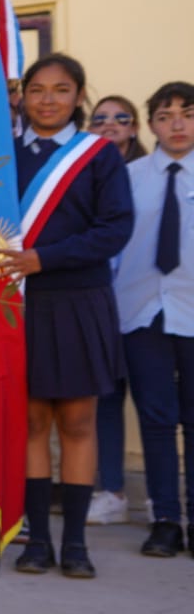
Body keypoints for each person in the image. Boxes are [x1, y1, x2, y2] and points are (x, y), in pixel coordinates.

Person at [0, 54, 132, 578]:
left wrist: (44, 258)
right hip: (21, 305)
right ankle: (37, 542)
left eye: (62, 89)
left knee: (77, 421)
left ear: (78, 96)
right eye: (38, 90)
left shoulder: (99, 157)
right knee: (31, 423)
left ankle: (76, 543)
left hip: (79, 300)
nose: (48, 99)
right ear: (23, 96)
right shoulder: (2, 158)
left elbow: (115, 229)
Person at [116, 81, 194, 558]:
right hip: (143, 310)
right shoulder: (130, 177)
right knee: (157, 418)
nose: (178, 124)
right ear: (151, 126)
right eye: (165, 116)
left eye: (187, 113)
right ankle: (165, 519)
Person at [87, 93, 148, 526]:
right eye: (100, 118)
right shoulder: (82, 176)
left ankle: (165, 497)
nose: (110, 124)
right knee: (105, 402)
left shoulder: (150, 175)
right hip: (97, 308)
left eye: (120, 118)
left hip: (147, 307)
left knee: (156, 404)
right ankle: (111, 491)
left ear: (135, 128)